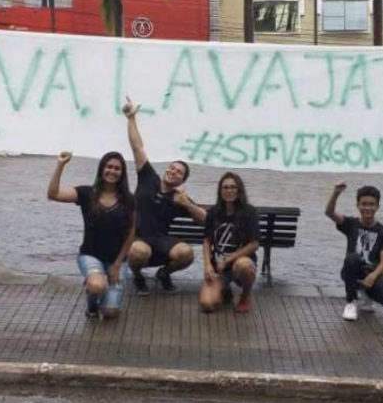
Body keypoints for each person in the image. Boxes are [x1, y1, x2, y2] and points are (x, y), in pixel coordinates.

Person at [121, 97, 208, 295]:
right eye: (172, 167)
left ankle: (164, 273)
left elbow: (205, 219)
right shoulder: (148, 177)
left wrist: (187, 205)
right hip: (138, 238)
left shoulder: (179, 197)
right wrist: (131, 118)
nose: (173, 172)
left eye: (179, 172)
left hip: (161, 240)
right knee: (139, 252)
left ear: (182, 181)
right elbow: (137, 147)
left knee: (186, 253)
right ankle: (138, 276)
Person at [47, 151, 135, 319]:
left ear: (122, 173)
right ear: (102, 169)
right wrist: (60, 165)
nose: (112, 171)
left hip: (116, 260)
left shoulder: (129, 199)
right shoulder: (87, 193)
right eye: (109, 167)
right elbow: (53, 195)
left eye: (117, 168)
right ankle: (92, 300)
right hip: (90, 255)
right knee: (97, 285)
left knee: (110, 313)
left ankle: (102, 293)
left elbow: (131, 233)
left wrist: (117, 265)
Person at [325, 182, 383, 321]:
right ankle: (351, 302)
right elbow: (329, 212)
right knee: (353, 258)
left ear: (377, 206)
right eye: (364, 204)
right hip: (351, 269)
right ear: (357, 205)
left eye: (371, 204)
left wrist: (373, 276)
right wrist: (336, 193)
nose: (367, 208)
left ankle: (366, 294)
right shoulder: (351, 224)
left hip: (370, 272)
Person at [198, 173, 259, 314]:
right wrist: (207, 265)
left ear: (239, 190)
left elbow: (254, 244)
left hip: (239, 263)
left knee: (245, 265)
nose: (229, 191)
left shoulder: (249, 212)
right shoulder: (213, 212)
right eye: (225, 187)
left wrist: (228, 259)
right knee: (207, 305)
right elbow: (207, 240)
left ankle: (245, 296)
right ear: (220, 191)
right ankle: (224, 289)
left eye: (233, 187)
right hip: (218, 267)